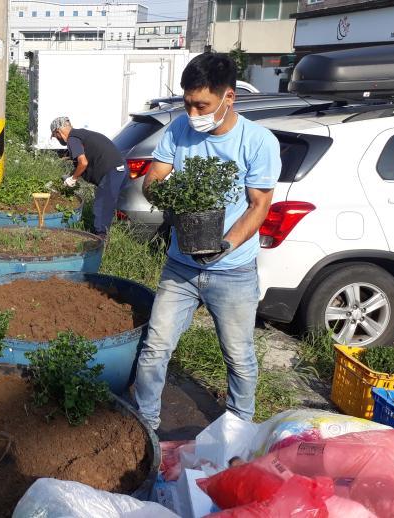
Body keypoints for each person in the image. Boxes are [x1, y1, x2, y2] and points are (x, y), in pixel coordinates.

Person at [134, 53, 281, 433]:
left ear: (228, 97)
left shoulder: (258, 141)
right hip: (181, 265)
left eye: (203, 105)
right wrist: (163, 194)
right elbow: (154, 178)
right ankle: (146, 426)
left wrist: (226, 245)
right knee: (154, 349)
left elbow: (259, 205)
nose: (194, 112)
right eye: (188, 103)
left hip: (232, 271)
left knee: (238, 356)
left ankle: (238, 432)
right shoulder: (179, 130)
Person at [50, 116, 128, 236]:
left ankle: (100, 242)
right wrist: (69, 176)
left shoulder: (72, 138)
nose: (57, 139)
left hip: (112, 172)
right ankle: (106, 234)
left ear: (58, 131)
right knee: (108, 206)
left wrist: (73, 179)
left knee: (101, 207)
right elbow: (81, 166)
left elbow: (83, 163)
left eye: (55, 136)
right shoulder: (82, 134)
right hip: (120, 169)